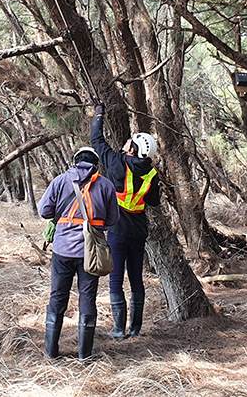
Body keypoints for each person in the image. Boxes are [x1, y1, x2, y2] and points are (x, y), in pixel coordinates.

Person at [39, 146, 119, 360]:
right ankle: (84, 355)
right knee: (88, 298)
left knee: (57, 297)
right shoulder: (105, 185)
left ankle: (50, 353)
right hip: (90, 251)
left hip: (63, 249)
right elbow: (113, 220)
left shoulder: (60, 181)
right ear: (96, 164)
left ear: (75, 161)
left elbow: (43, 210)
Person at [90, 103, 159, 339]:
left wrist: (99, 115)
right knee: (136, 279)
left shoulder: (118, 164)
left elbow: (97, 141)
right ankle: (135, 328)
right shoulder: (151, 174)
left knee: (116, 279)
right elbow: (155, 201)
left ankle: (119, 329)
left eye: (131, 142)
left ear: (134, 149)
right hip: (139, 231)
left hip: (118, 229)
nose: (126, 142)